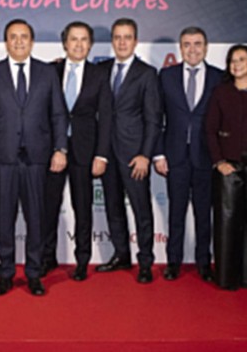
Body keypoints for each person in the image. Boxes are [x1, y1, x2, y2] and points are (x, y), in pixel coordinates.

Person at [0, 19, 68, 296]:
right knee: (5, 220)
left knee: (36, 219)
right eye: (13, 37)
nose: (18, 41)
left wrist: (60, 149)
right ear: (6, 42)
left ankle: (34, 274)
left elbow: (58, 114)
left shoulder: (47, 73)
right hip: (2, 158)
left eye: (23, 36)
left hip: (38, 159)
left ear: (32, 41)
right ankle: (5, 274)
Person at [41, 21, 112, 282]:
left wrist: (101, 154)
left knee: (83, 207)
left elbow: (106, 117)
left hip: (85, 151)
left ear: (90, 44)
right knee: (49, 207)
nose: (79, 44)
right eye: (74, 39)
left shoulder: (99, 74)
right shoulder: (50, 71)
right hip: (53, 151)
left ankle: (82, 260)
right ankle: (47, 257)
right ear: (65, 43)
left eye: (84, 39)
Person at [96, 18, 161, 284]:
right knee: (113, 207)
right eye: (117, 37)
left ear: (135, 41)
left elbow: (154, 119)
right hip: (106, 153)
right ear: (112, 40)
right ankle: (121, 255)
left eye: (127, 37)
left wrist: (145, 154)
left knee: (141, 210)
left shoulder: (147, 73)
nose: (122, 42)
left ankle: (145, 261)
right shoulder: (100, 70)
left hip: (135, 155)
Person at [154, 27, 222, 282]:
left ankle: (204, 262)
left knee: (204, 214)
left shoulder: (219, 77)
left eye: (197, 44)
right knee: (176, 212)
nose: (192, 49)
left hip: (205, 157)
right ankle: (174, 262)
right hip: (175, 156)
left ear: (206, 47)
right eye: (187, 44)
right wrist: (158, 153)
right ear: (180, 48)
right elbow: (157, 117)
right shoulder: (167, 76)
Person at [205, 44, 247, 291]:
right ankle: (226, 277)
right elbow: (210, 129)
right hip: (229, 165)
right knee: (227, 221)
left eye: (241, 59)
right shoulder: (221, 92)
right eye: (232, 60)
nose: (236, 65)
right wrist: (219, 161)